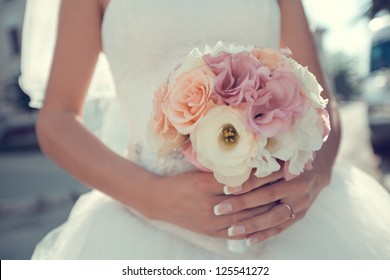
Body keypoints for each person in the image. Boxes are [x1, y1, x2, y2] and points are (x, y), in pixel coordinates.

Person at [20, 0, 390, 259]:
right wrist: (152, 197)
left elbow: (323, 102)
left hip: (284, 220)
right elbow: (57, 118)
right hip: (147, 230)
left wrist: (315, 177)